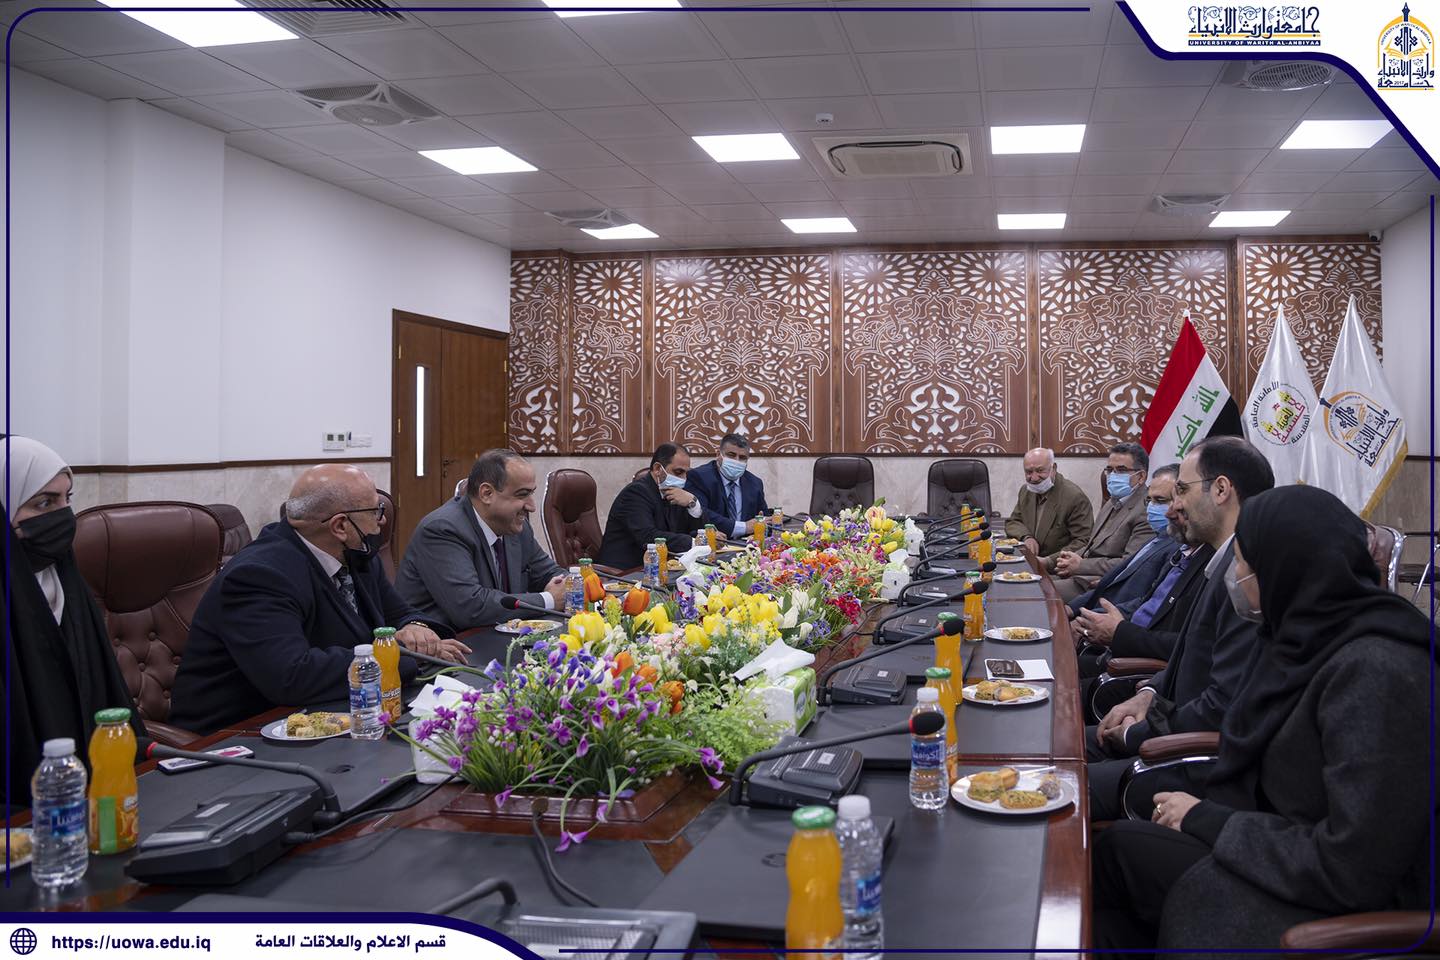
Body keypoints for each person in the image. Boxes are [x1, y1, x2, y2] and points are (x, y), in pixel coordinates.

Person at [1092, 485, 1435, 957]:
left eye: (1242, 564)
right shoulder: (1303, 634)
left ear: (1281, 568)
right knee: (1112, 862)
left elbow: (1352, 866)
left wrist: (1206, 818)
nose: (1235, 577)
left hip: (1326, 906)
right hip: (1273, 845)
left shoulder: (1379, 672)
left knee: (1114, 879)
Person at [172, 464, 468, 735]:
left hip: (331, 713)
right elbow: (292, 676)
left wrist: (416, 627)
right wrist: (403, 658)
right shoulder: (259, 575)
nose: (381, 522)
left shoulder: (356, 556)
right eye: (375, 512)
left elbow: (400, 614)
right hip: (240, 736)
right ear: (340, 526)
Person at [1086, 436, 1274, 820]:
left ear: (1220, 490)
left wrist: (1137, 732)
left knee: (1065, 781)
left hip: (1192, 764)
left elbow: (1221, 704)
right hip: (1168, 726)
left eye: (1183, 490)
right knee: (1060, 743)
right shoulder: (1217, 558)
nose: (1176, 505)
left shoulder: (1246, 575)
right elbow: (1191, 652)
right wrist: (1148, 694)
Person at [3, 436, 146, 811]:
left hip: (93, 795)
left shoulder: (64, 580)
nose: (64, 516)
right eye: (44, 503)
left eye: (68, 499)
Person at [397, 449, 566, 632]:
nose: (532, 506)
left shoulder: (515, 527)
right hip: (444, 641)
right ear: (486, 493)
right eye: (522, 494)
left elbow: (550, 573)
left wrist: (569, 584)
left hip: (495, 635)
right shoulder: (443, 529)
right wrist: (549, 600)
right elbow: (470, 607)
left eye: (531, 493)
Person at [1068, 465, 1184, 619]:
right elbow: (1112, 582)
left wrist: (1088, 620)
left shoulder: (1177, 548)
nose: (1151, 507)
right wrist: (1070, 608)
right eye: (1149, 500)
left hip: (1113, 620)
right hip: (1096, 602)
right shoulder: (1156, 539)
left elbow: (1145, 602)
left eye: (1160, 500)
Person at [1049, 442, 1155, 602]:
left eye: (1121, 470)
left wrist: (1080, 565)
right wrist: (1068, 560)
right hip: (1080, 575)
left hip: (1101, 583)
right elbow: (1093, 545)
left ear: (1141, 477)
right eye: (1110, 470)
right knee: (1027, 583)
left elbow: (1130, 563)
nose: (1113, 475)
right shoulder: (1112, 501)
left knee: (1038, 592)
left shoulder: (1146, 510)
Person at [596, 443, 705, 571]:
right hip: (625, 572)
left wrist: (693, 504)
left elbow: (692, 531)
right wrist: (693, 542)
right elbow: (647, 536)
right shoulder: (636, 493)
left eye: (686, 473)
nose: (683, 479)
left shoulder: (675, 492)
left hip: (662, 567)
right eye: (678, 472)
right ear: (658, 469)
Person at [1004, 447, 1093, 564]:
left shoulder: (1074, 497)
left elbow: (1083, 541)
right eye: (1029, 472)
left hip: (1057, 567)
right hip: (1028, 561)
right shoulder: (1026, 491)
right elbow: (1013, 521)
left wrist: (1049, 561)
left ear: (1053, 468)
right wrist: (1026, 537)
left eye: (1040, 471)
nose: (1034, 478)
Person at [685, 432, 770, 539]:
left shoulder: (755, 483)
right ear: (718, 455)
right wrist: (744, 527)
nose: (736, 461)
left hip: (747, 545)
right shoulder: (699, 477)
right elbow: (700, 514)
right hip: (713, 543)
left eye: (742, 457)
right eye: (731, 455)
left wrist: (761, 529)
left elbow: (765, 520)